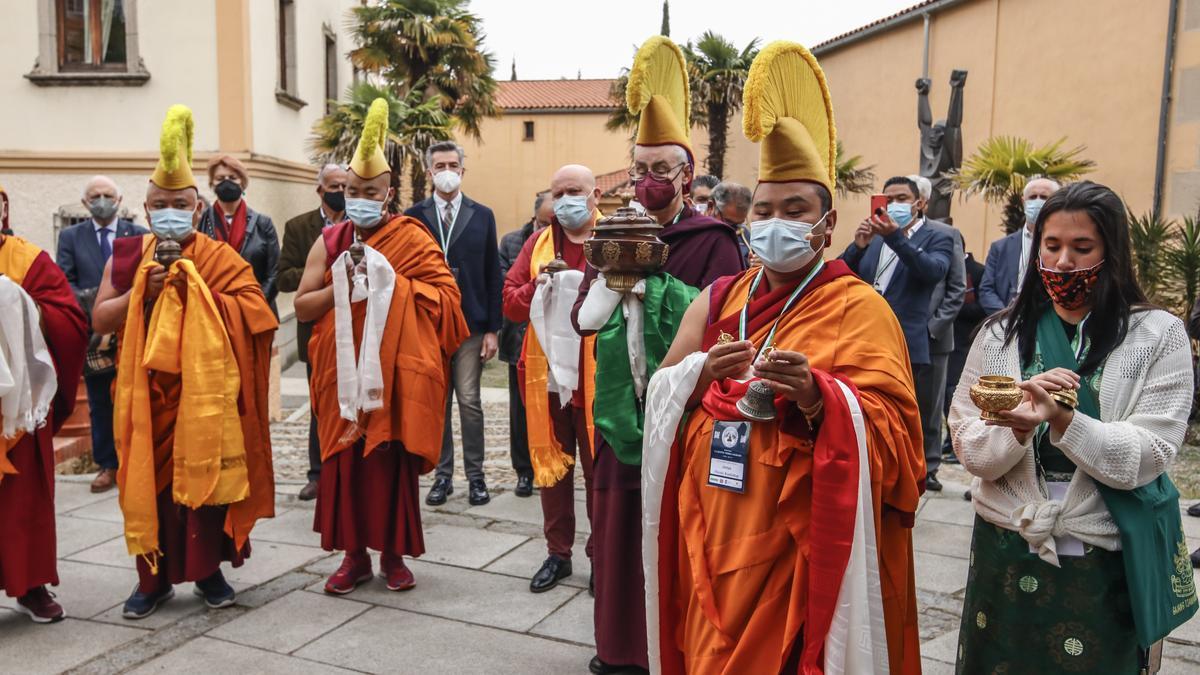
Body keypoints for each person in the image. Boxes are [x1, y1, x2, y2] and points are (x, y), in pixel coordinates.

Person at [642, 41, 925, 674]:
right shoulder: (720, 297)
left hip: (794, 531)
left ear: (825, 224)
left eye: (794, 210)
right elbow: (661, 389)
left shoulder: (859, 308)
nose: (776, 222)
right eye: (765, 211)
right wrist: (699, 373)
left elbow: (898, 435)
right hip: (712, 514)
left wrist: (816, 396)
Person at [948, 181, 1197, 672]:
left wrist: (1065, 419)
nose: (1063, 262)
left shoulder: (1157, 333)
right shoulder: (1000, 334)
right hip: (1008, 542)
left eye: (1082, 248)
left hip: (1105, 552)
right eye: (1052, 245)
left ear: (1113, 252)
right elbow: (968, 443)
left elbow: (1154, 450)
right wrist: (1015, 430)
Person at [572, 36, 745, 675]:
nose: (647, 181)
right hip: (619, 409)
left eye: (661, 170)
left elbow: (726, 322)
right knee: (616, 525)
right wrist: (609, 288)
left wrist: (657, 291)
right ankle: (619, 649)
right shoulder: (614, 232)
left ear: (686, 175)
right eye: (639, 167)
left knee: (674, 526)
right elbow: (581, 318)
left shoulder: (713, 241)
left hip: (683, 409)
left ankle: (669, 648)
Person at [91, 106, 278, 619]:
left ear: (197, 211)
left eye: (180, 204)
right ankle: (150, 580)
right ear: (147, 210)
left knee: (205, 485)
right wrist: (140, 293)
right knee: (148, 485)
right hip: (145, 395)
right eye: (160, 204)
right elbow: (102, 318)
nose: (170, 211)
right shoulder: (128, 255)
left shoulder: (220, 258)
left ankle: (208, 572)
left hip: (204, 394)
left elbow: (257, 311)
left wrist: (204, 294)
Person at [294, 98, 469, 596]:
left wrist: (389, 281)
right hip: (340, 373)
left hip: (391, 371)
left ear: (388, 193)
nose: (360, 199)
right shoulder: (328, 242)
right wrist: (341, 282)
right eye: (351, 191)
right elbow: (304, 307)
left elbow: (448, 303)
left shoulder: (411, 237)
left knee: (388, 463)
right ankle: (353, 558)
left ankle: (392, 556)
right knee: (345, 465)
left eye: (369, 191)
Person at [503, 166, 602, 593]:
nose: (565, 201)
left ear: (595, 194)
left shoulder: (613, 239)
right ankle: (557, 554)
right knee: (552, 470)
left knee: (601, 473)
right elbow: (509, 302)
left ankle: (603, 557)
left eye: (574, 191)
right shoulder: (538, 244)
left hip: (598, 376)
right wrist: (537, 287)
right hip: (546, 377)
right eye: (558, 193)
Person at [841, 174, 954, 491]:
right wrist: (858, 246)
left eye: (901, 198)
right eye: (887, 198)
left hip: (907, 342)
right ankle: (871, 474)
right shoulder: (874, 239)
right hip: (863, 339)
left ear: (919, 203)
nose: (893, 205)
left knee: (905, 418)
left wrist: (895, 237)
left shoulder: (938, 237)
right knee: (866, 413)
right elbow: (839, 275)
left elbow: (932, 271)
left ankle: (907, 480)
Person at [405, 141, 502, 508]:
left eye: (452, 164)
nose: (446, 170)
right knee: (438, 402)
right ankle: (442, 476)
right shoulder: (414, 214)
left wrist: (493, 328)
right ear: (429, 172)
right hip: (428, 324)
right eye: (439, 164)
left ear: (462, 170)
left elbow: (494, 273)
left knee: (470, 400)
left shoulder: (482, 215)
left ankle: (476, 477)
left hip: (470, 325)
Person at [0, 226, 88, 623]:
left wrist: (20, 306)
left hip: (17, 403)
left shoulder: (27, 259)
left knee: (24, 498)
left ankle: (31, 584)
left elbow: (70, 319)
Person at [55, 175, 148, 493]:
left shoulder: (139, 235)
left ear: (119, 200)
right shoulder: (70, 236)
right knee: (99, 400)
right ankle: (107, 465)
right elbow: (64, 282)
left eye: (108, 194)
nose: (102, 200)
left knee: (139, 396)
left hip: (135, 328)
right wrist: (99, 302)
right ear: (85, 203)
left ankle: (139, 462)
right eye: (95, 196)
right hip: (94, 335)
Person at [277, 163, 349, 501]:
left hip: (354, 326)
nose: (339, 191)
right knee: (319, 404)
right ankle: (318, 475)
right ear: (320, 189)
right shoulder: (299, 226)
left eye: (344, 185)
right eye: (333, 185)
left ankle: (349, 473)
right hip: (315, 328)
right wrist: (319, 275)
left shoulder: (358, 224)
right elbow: (284, 275)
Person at [906, 173, 966, 491]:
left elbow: (956, 288)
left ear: (922, 202)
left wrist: (934, 327)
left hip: (933, 337)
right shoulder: (886, 234)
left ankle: (929, 466)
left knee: (929, 406)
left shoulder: (946, 234)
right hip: (899, 333)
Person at [498, 191, 553, 498]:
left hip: (555, 342)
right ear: (535, 219)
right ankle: (523, 471)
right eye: (544, 223)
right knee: (520, 410)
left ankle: (551, 465)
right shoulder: (512, 243)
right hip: (519, 337)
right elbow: (506, 286)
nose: (548, 230)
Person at [197, 154, 281, 316]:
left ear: (242, 182)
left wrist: (254, 306)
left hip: (256, 313)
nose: (226, 182)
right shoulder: (201, 222)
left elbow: (274, 271)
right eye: (220, 178)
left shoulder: (263, 224)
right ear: (211, 184)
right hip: (213, 313)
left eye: (232, 177)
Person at [979, 177, 1062, 315]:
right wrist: (1006, 316)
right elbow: (986, 289)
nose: (1037, 201)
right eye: (1033, 197)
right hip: (1005, 321)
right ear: (1024, 202)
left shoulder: (1064, 245)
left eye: (1044, 197)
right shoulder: (1000, 247)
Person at [942, 242, 986, 467]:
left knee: (955, 393)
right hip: (943, 338)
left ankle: (955, 439)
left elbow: (983, 307)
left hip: (965, 341)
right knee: (943, 395)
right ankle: (949, 440)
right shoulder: (944, 269)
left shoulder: (977, 271)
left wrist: (955, 306)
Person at [711, 181, 753, 262]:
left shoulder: (744, 234)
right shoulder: (697, 235)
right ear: (711, 207)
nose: (734, 230)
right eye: (729, 222)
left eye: (739, 223)